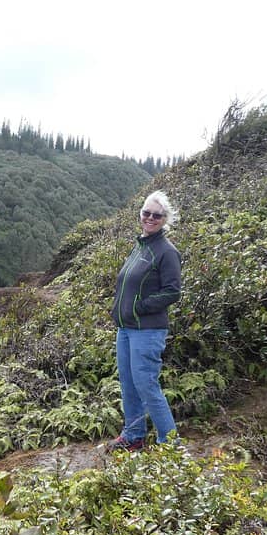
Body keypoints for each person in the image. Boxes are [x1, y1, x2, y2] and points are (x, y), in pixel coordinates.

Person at [107, 190, 182, 451]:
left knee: (146, 385)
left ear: (165, 219)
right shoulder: (141, 246)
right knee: (128, 383)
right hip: (126, 329)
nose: (150, 218)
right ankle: (134, 435)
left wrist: (139, 308)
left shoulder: (166, 252)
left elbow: (173, 291)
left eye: (157, 215)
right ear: (140, 214)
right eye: (146, 213)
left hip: (147, 331)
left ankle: (170, 445)